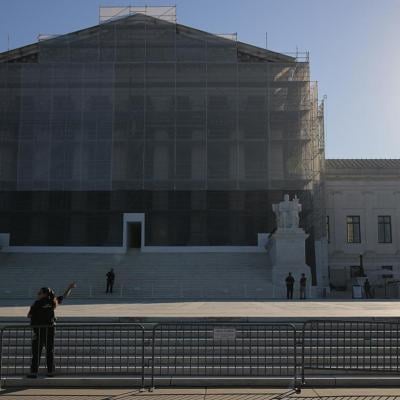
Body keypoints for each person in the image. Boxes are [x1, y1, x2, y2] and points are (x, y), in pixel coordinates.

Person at [27, 282, 76, 378]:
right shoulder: (52, 302)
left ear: (44, 294)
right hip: (50, 331)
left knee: (36, 353)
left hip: (39, 331)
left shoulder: (37, 303)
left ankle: (33, 373)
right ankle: (50, 372)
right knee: (50, 352)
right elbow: (64, 296)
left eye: (39, 293)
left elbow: (29, 315)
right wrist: (70, 287)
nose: (38, 294)